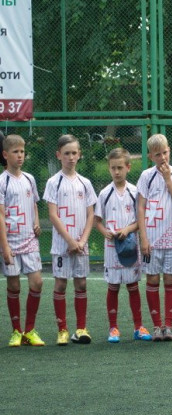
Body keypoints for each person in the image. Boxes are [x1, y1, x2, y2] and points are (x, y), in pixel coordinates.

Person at [44, 134, 98, 345]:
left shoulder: (85, 183)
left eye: (74, 153)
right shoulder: (53, 182)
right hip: (62, 246)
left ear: (79, 154)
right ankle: (62, 330)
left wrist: (82, 241)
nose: (71, 157)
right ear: (59, 155)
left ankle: (81, 329)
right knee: (60, 284)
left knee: (81, 284)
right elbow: (53, 215)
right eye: (66, 153)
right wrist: (70, 241)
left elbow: (91, 215)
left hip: (81, 245)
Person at [95, 148, 152, 343]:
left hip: (130, 246)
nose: (116, 171)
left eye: (120, 167)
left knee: (133, 286)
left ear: (128, 167)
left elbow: (141, 220)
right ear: (109, 169)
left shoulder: (135, 192)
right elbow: (97, 221)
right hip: (112, 248)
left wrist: (128, 229)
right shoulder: (104, 193)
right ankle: (113, 328)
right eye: (113, 168)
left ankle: (138, 327)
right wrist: (105, 232)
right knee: (113, 286)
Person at [136, 134, 172, 342]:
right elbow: (141, 207)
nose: (163, 158)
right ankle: (157, 326)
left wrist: (168, 180)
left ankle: (169, 326)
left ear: (169, 150)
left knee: (170, 279)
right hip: (151, 238)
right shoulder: (146, 176)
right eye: (157, 155)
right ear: (150, 156)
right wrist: (143, 238)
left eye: (165, 153)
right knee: (152, 279)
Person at [0, 134, 45, 347]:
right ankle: (16, 331)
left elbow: (34, 203)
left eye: (22, 152)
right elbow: (1, 215)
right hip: (10, 242)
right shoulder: (2, 181)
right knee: (14, 285)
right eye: (16, 152)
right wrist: (5, 247)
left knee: (37, 282)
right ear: (5, 154)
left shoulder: (29, 179)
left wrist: (36, 222)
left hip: (29, 240)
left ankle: (29, 330)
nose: (20, 156)